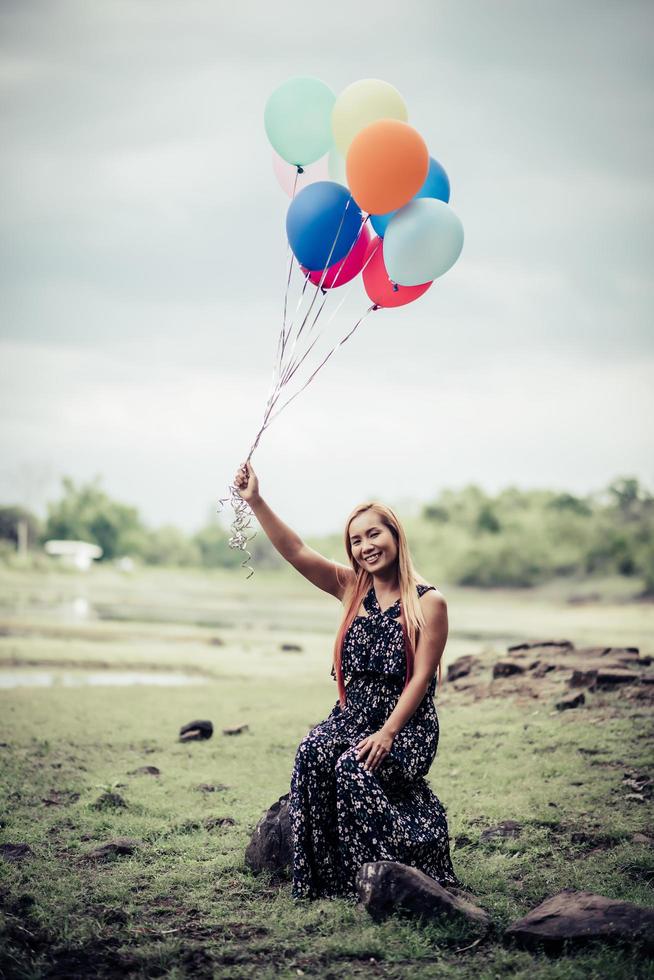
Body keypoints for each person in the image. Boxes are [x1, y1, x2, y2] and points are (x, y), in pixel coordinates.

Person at [233, 461, 459, 901]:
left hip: (406, 725)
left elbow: (421, 680)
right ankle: (322, 882)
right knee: (312, 751)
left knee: (353, 767)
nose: (365, 547)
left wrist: (388, 733)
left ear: (395, 535)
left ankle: (379, 881)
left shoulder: (429, 603)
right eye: (356, 541)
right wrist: (256, 501)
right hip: (350, 715)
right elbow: (297, 551)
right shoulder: (353, 587)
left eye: (374, 534)